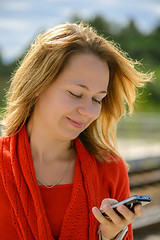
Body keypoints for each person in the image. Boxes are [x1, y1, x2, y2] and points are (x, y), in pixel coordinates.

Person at [0, 22, 152, 240]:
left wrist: (110, 236)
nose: (88, 111)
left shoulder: (110, 170)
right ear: (37, 84)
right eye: (75, 93)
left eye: (98, 99)